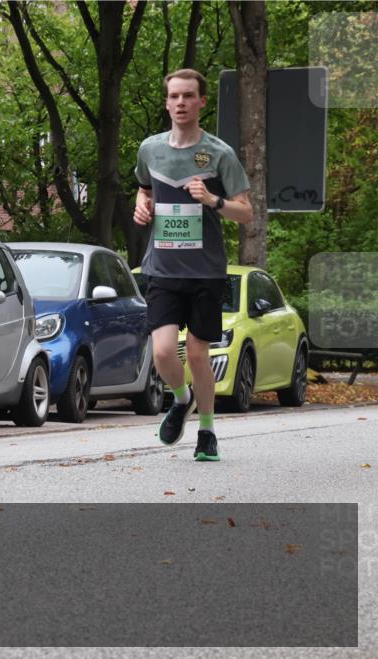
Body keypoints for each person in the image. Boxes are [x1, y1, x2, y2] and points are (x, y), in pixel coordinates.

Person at [133, 69, 253, 462]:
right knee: (165, 351)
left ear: (202, 102)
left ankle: (207, 431)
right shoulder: (150, 149)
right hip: (163, 268)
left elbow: (247, 213)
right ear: (166, 102)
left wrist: (213, 201)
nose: (180, 103)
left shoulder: (220, 154)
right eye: (174, 96)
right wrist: (141, 204)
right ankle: (180, 399)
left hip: (206, 270)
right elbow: (144, 187)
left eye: (188, 96)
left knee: (198, 354)